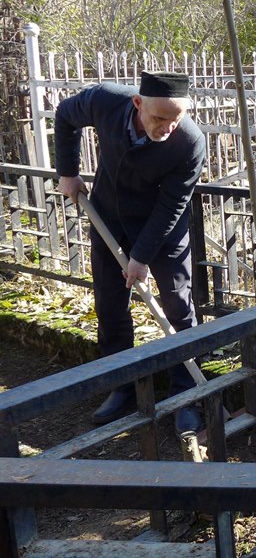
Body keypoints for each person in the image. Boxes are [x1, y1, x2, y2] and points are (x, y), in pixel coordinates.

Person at [54, 71, 207, 432]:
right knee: (109, 304)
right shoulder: (105, 101)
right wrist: (68, 172)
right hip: (109, 216)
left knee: (178, 306)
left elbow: (172, 206)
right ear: (138, 103)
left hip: (162, 229)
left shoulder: (189, 142)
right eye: (159, 118)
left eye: (176, 118)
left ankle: (186, 394)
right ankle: (122, 385)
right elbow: (64, 115)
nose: (168, 128)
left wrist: (140, 258)